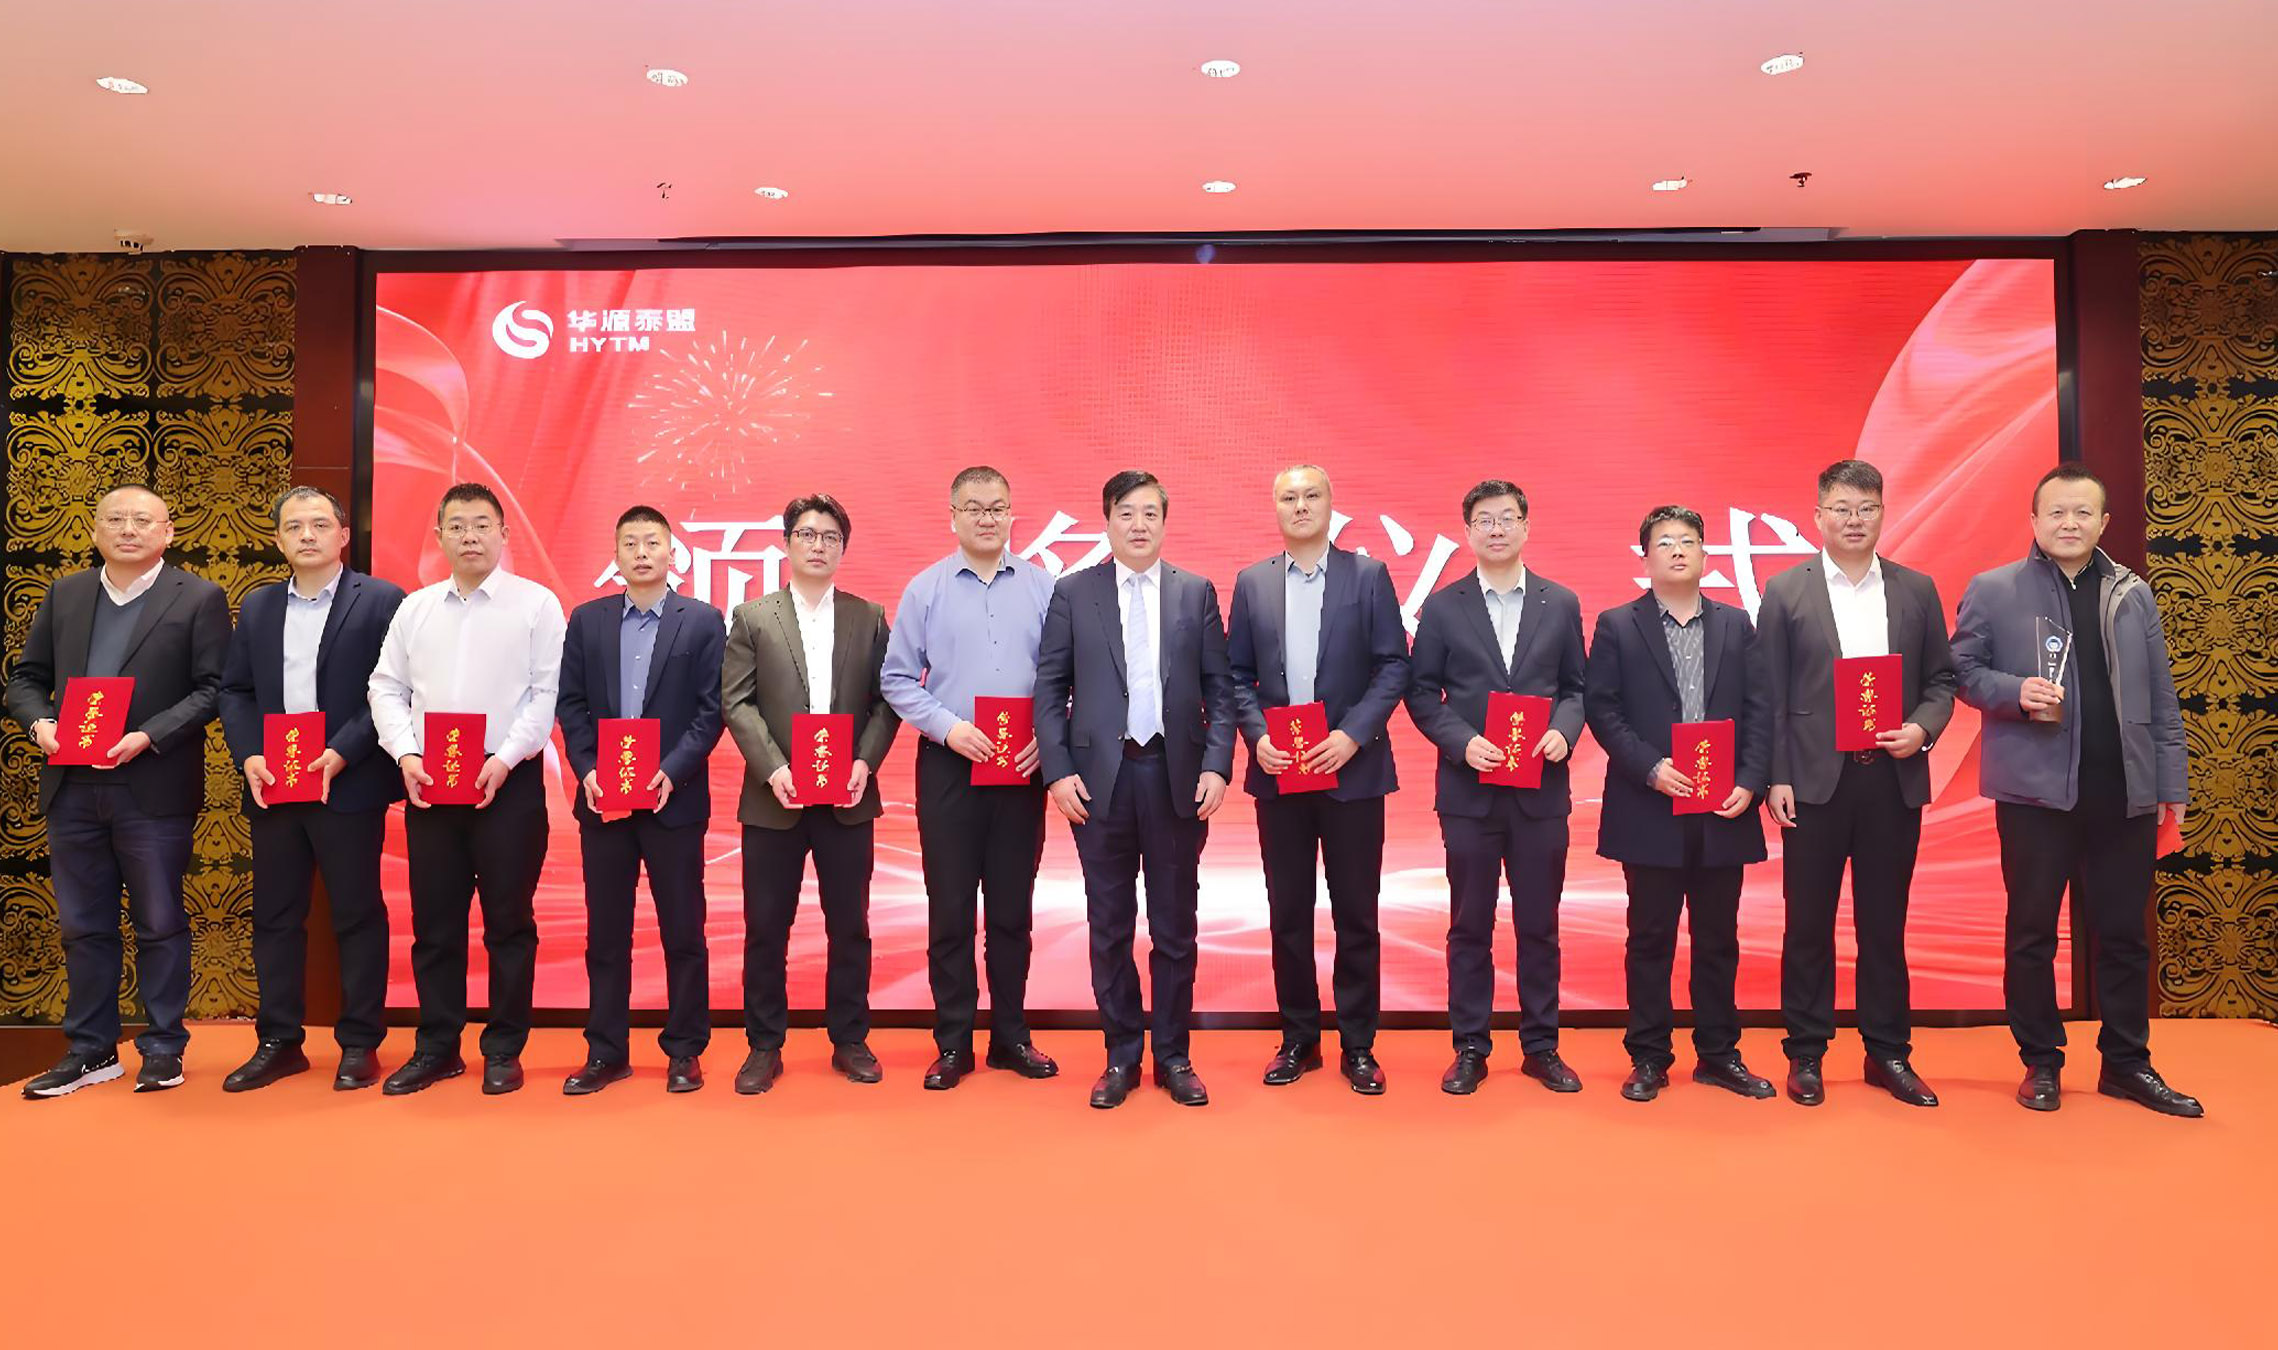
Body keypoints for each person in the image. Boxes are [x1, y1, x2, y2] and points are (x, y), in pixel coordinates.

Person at [1952, 464, 2199, 1117]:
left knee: (2124, 936)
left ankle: (2127, 1063)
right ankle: (2041, 1061)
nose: (2070, 523)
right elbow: (1961, 672)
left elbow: (2162, 696)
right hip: (2035, 798)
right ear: (2034, 520)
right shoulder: (1995, 589)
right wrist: (2014, 692)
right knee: (2032, 933)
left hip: (2124, 793)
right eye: (2057, 512)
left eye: (2083, 512)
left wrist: (2170, 781)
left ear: (2103, 522)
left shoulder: (2132, 594)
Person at [9, 485, 229, 1098]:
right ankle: (91, 1049)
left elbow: (214, 688)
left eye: (142, 520)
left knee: (159, 921)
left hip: (150, 785)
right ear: (95, 530)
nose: (128, 529)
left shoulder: (199, 597)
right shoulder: (67, 592)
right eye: (115, 519)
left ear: (168, 532)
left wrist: (149, 735)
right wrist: (40, 723)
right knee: (83, 925)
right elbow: (26, 679)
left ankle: (163, 1047)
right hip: (73, 785)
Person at [1758, 459, 1955, 1108]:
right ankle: (1806, 1054)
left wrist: (1921, 729)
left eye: (1866, 508)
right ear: (1818, 516)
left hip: (1891, 781)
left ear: (1882, 514)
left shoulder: (1915, 589)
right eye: (1841, 508)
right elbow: (1770, 694)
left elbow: (1941, 680)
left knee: (1884, 925)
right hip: (1813, 785)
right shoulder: (1785, 591)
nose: (1854, 520)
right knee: (1807, 927)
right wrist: (1777, 776)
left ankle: (1888, 1053)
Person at [1035, 470, 1235, 1109]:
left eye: (1150, 512)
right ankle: (1121, 1054)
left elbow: (1220, 690)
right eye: (1126, 512)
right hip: (1099, 783)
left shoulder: (1195, 592)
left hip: (1177, 779)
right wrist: (1057, 771)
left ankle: (1174, 1056)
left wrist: (1217, 765)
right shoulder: (1074, 592)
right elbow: (1050, 688)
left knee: (1175, 926)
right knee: (1109, 924)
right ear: (1107, 521)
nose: (1139, 524)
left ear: (1165, 521)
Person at [368, 482, 566, 1096]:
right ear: (439, 537)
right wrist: (405, 752)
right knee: (435, 924)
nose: (470, 536)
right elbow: (385, 687)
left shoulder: (536, 605)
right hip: (432, 782)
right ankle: (437, 1047)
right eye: (457, 526)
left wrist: (504, 758)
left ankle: (504, 1048)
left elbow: (546, 693)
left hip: (507, 782)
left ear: (504, 534)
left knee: (509, 922)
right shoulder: (415, 608)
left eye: (482, 525)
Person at [216, 486, 407, 1092]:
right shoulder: (259, 606)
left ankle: (360, 1043)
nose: (307, 535)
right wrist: (249, 754)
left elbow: (393, 690)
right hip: (274, 783)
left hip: (346, 782)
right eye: (294, 526)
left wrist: (342, 751)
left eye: (320, 525)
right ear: (278, 539)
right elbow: (235, 690)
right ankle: (279, 1041)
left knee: (356, 913)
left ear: (343, 535)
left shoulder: (382, 600)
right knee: (275, 915)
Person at [1227, 465, 1409, 1094]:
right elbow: (1235, 675)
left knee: (1357, 913)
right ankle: (1298, 1039)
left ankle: (1358, 1045)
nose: (1300, 505)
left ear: (1332, 506)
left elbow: (1394, 666)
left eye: (1311, 495)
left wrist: (1352, 735)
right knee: (1288, 912)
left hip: (1351, 770)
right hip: (1281, 772)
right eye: (1288, 497)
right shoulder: (1252, 583)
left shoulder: (1369, 576)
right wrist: (1258, 736)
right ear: (1275, 508)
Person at [1406, 479, 1588, 1096]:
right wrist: (1461, 741)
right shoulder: (1443, 607)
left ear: (1526, 526)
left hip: (1541, 791)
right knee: (1469, 925)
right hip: (1469, 794)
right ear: (1467, 532)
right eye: (1484, 520)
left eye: (1507, 518)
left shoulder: (1560, 603)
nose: (1497, 529)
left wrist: (1564, 730)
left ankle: (1541, 1046)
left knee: (1540, 924)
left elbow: (1577, 688)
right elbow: (1420, 692)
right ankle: (1470, 1047)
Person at [880, 466, 1060, 1090]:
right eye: (975, 507)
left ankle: (1011, 1037)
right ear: (952, 515)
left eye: (998, 507)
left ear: (1012, 514)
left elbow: (1066, 676)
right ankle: (953, 1042)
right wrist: (948, 727)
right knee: (951, 910)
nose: (987, 518)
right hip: (951, 765)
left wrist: (1049, 735)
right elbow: (896, 678)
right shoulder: (925, 589)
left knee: (1012, 910)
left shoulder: (1044, 588)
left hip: (1023, 766)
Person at [1586, 505, 1774, 1103]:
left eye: (1688, 541)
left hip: (1723, 807)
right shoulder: (1618, 625)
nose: (1677, 550)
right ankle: (1649, 1057)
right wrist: (1650, 767)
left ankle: (1719, 1054)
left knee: (1719, 939)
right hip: (1650, 806)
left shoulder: (1736, 624)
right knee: (1650, 938)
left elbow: (1760, 708)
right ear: (1645, 557)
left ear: (1705, 555)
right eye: (1664, 542)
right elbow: (1602, 710)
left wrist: (1751, 780)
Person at [721, 493, 899, 1094]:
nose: (818, 545)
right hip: (774, 798)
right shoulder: (753, 617)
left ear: (842, 547)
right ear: (787, 543)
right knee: (766, 928)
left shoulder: (868, 617)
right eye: (806, 534)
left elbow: (886, 700)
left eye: (829, 537)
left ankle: (849, 1038)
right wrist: (773, 768)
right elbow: (736, 701)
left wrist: (864, 762)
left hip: (847, 797)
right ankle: (763, 1045)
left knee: (849, 925)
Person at [555, 506, 725, 1095]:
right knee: (606, 933)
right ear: (616, 555)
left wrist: (672, 770)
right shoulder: (588, 620)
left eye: (653, 542)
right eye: (630, 543)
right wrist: (587, 769)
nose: (642, 552)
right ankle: (606, 1051)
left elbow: (711, 711)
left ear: (673, 553)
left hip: (673, 801)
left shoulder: (701, 621)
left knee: (684, 931)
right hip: (604, 801)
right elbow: (571, 704)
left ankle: (685, 1050)